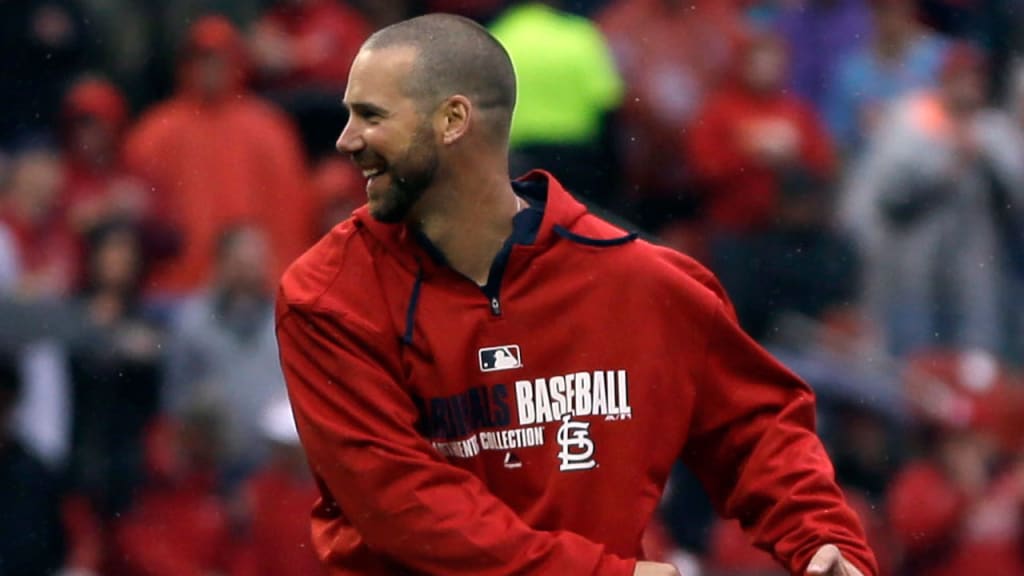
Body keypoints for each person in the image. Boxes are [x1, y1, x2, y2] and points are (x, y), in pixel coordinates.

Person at [275, 13, 877, 576]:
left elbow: (756, 427)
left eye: (371, 116)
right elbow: (400, 505)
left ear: (453, 121)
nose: (345, 140)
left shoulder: (640, 281)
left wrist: (821, 538)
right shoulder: (327, 297)